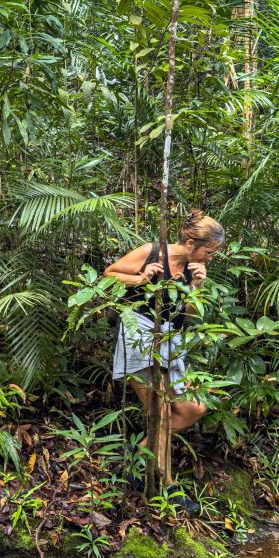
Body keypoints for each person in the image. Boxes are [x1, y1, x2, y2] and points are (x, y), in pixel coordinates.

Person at [103, 210, 224, 492]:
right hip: (139, 336)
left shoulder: (194, 271)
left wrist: (199, 286)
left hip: (171, 344)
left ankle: (135, 457)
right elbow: (108, 275)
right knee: (162, 414)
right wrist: (141, 279)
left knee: (193, 407)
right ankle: (167, 486)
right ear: (191, 244)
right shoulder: (152, 251)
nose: (210, 258)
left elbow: (191, 316)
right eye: (209, 251)